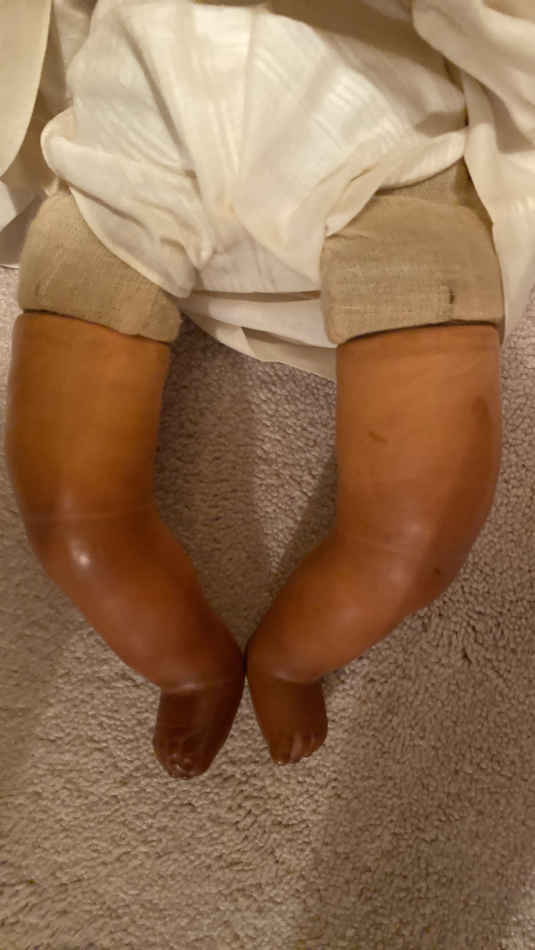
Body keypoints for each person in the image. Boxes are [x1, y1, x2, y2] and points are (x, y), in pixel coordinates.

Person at [2, 0, 534, 779]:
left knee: (415, 538)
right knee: (71, 526)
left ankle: (292, 656)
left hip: (390, 153)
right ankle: (188, 665)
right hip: (127, 148)